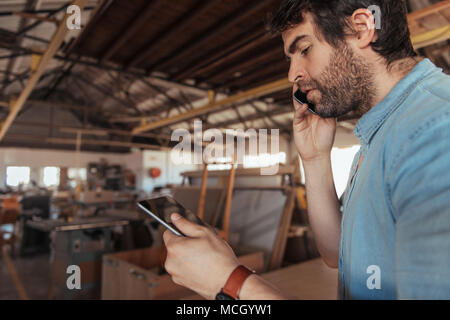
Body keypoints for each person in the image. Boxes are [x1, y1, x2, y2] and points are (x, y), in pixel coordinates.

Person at [163, 0, 450, 300]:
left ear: (362, 28)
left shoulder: (433, 129)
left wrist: (232, 283)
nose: (292, 74)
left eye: (304, 49)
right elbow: (338, 254)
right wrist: (314, 159)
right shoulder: (379, 133)